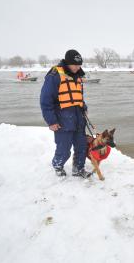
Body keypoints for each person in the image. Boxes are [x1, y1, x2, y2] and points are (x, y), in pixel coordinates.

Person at [40, 49, 90, 178]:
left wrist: (83, 107)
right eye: (75, 64)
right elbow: (46, 100)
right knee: (64, 149)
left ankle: (78, 169)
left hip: (79, 118)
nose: (77, 67)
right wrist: (51, 121)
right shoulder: (55, 75)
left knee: (81, 146)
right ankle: (58, 166)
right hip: (62, 120)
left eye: (79, 65)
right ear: (67, 63)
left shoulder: (78, 75)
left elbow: (77, 96)